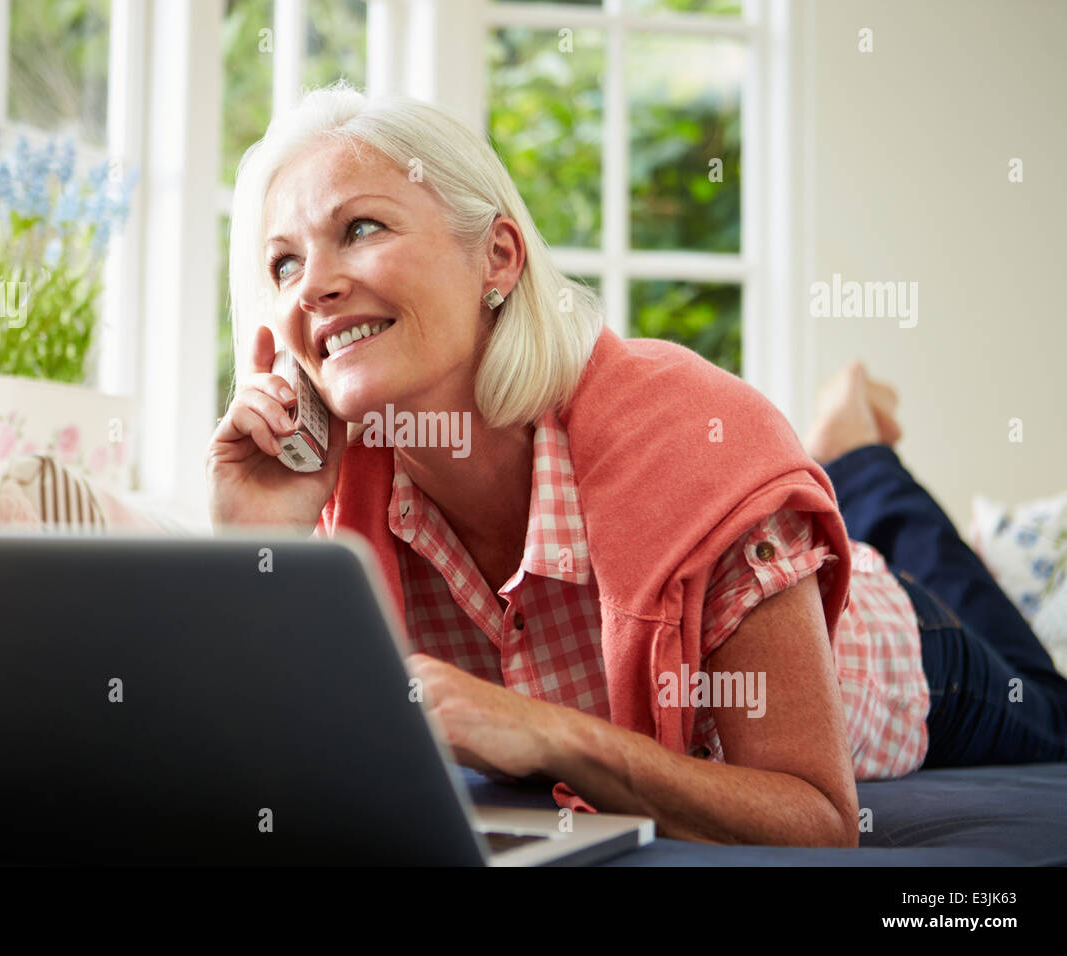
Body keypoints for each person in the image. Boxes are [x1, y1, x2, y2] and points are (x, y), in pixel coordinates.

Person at [207, 82, 1067, 847]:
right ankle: (849, 461)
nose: (310, 286)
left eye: (359, 228)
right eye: (283, 262)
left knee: (1046, 700)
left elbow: (818, 815)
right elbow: (272, 793)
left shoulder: (697, 438)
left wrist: (548, 733)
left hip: (904, 652)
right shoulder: (334, 497)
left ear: (497, 259)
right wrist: (258, 550)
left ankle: (857, 456)